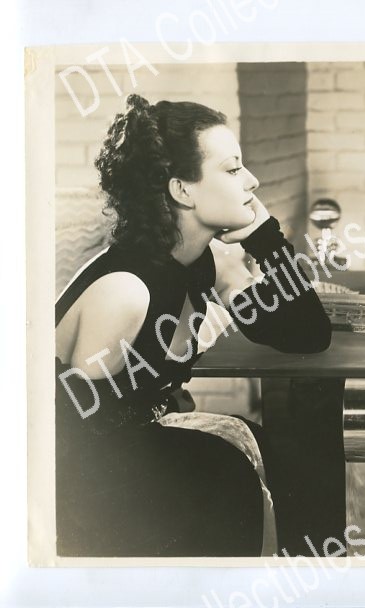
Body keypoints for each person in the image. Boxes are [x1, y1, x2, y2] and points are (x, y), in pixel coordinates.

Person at [55, 94, 332, 557]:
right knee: (230, 476)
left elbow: (306, 334)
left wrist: (266, 239)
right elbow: (75, 438)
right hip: (87, 476)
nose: (252, 180)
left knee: (298, 467)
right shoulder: (125, 290)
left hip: (144, 442)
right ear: (182, 190)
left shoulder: (207, 263)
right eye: (232, 169)